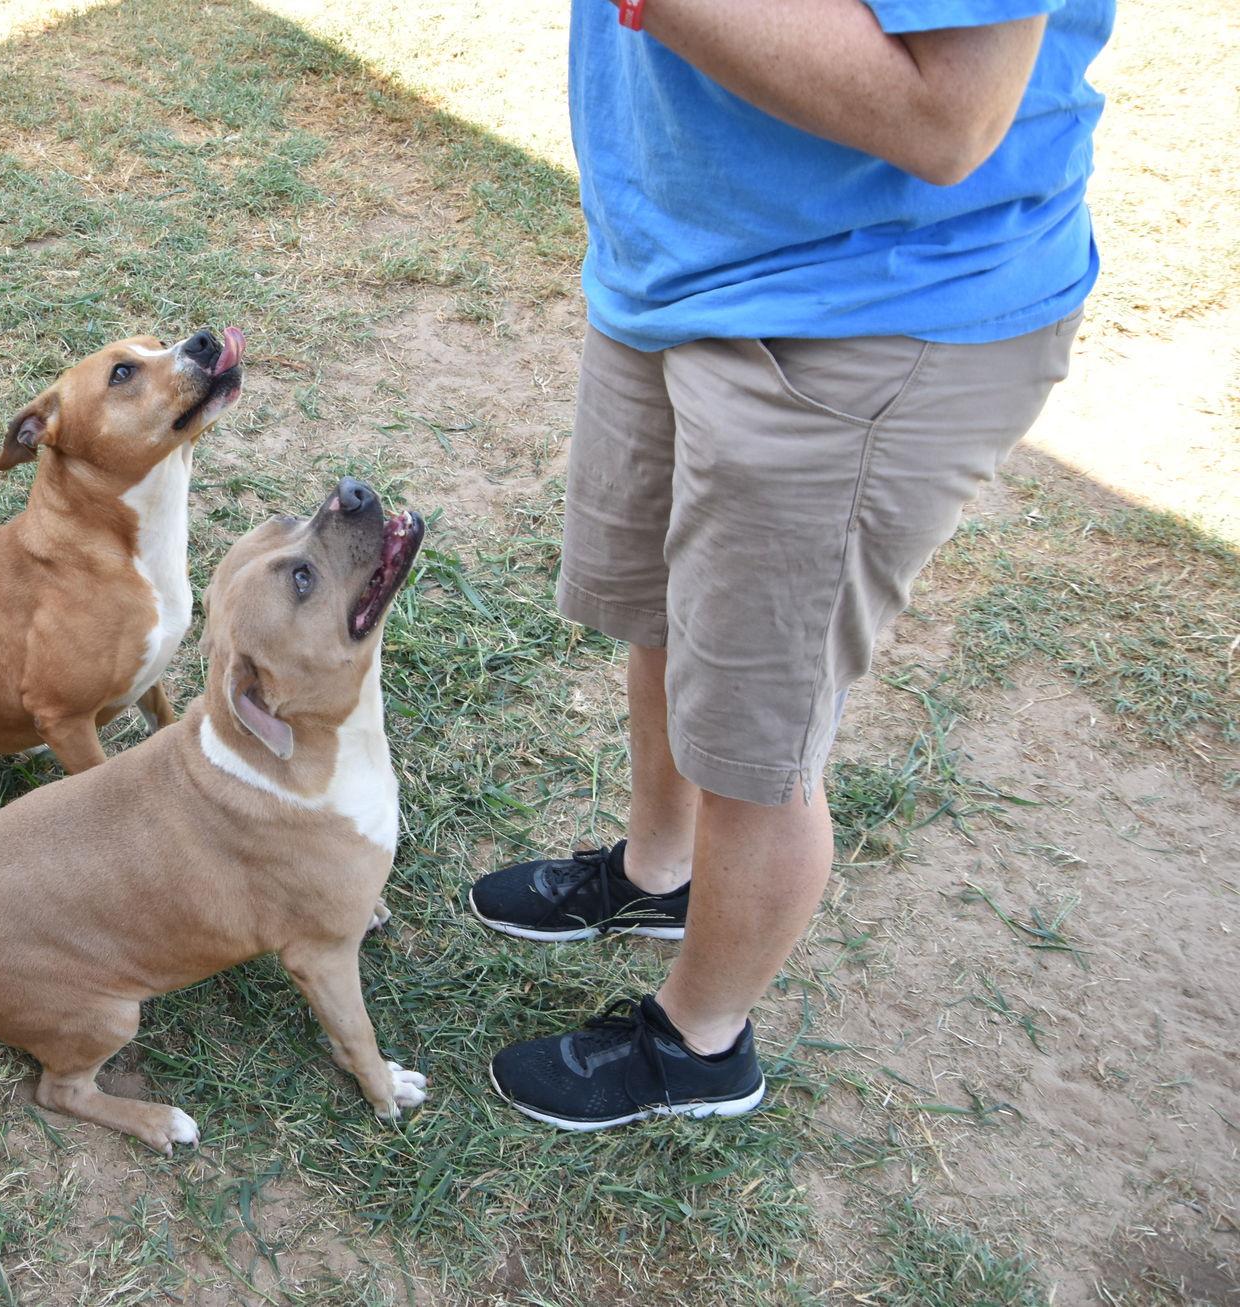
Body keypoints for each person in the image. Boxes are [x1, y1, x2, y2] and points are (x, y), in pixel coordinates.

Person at [469, 0, 1115, 1131]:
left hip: (862, 305)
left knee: (759, 736)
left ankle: (699, 1042)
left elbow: (949, 114)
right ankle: (655, 871)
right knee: (668, 619)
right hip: (681, 266)